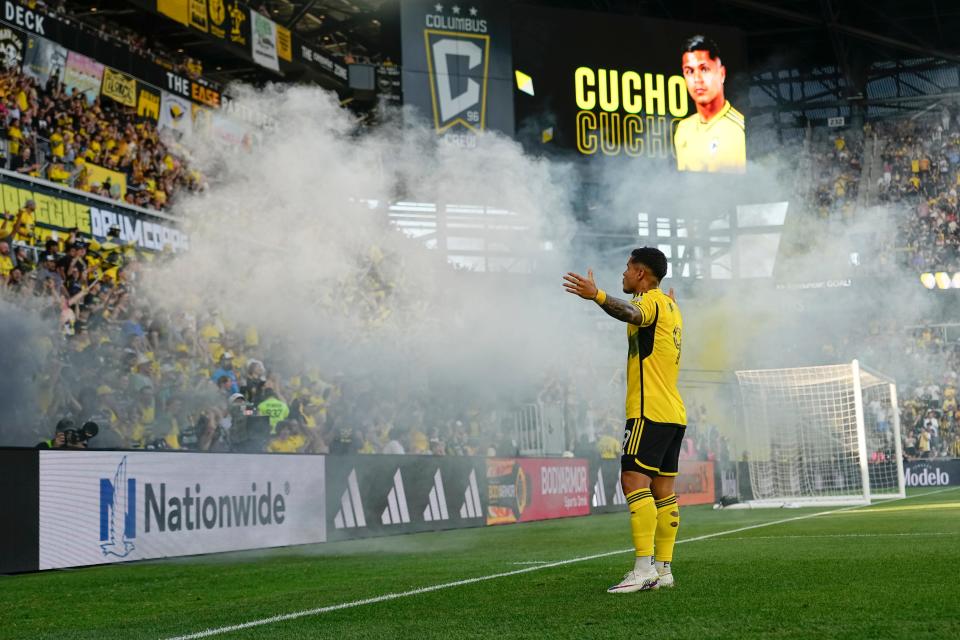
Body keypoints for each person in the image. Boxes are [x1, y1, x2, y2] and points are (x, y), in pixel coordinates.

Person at [563, 247, 685, 593]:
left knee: (633, 482)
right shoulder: (671, 306)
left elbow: (633, 313)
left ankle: (643, 568)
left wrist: (597, 295)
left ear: (642, 275)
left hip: (650, 411)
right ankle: (663, 569)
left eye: (628, 269)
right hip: (673, 412)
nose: (623, 274)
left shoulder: (651, 302)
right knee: (663, 492)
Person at [673, 35, 745, 174]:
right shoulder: (683, 129)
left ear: (722, 74)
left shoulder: (739, 128)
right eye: (689, 71)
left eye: (704, 69)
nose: (697, 79)